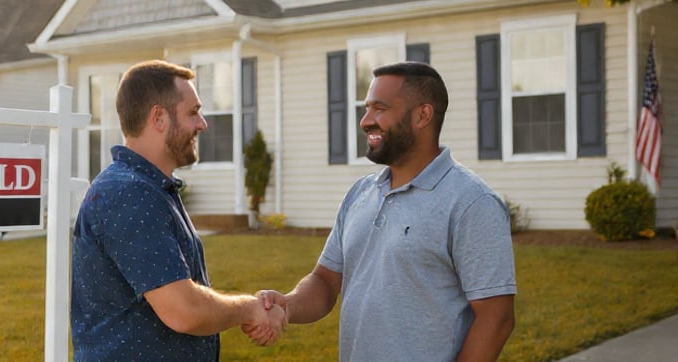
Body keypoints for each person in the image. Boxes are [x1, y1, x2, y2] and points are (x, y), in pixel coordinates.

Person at [254, 62, 516, 361]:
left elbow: (497, 319)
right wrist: (287, 304)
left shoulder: (471, 202)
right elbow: (326, 281)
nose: (365, 121)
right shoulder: (360, 194)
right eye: (366, 109)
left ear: (423, 115)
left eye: (379, 108)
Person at [70, 60, 285, 361]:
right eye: (193, 112)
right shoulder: (128, 193)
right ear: (159, 117)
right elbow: (183, 310)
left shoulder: (150, 188)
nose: (203, 124)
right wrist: (250, 310)